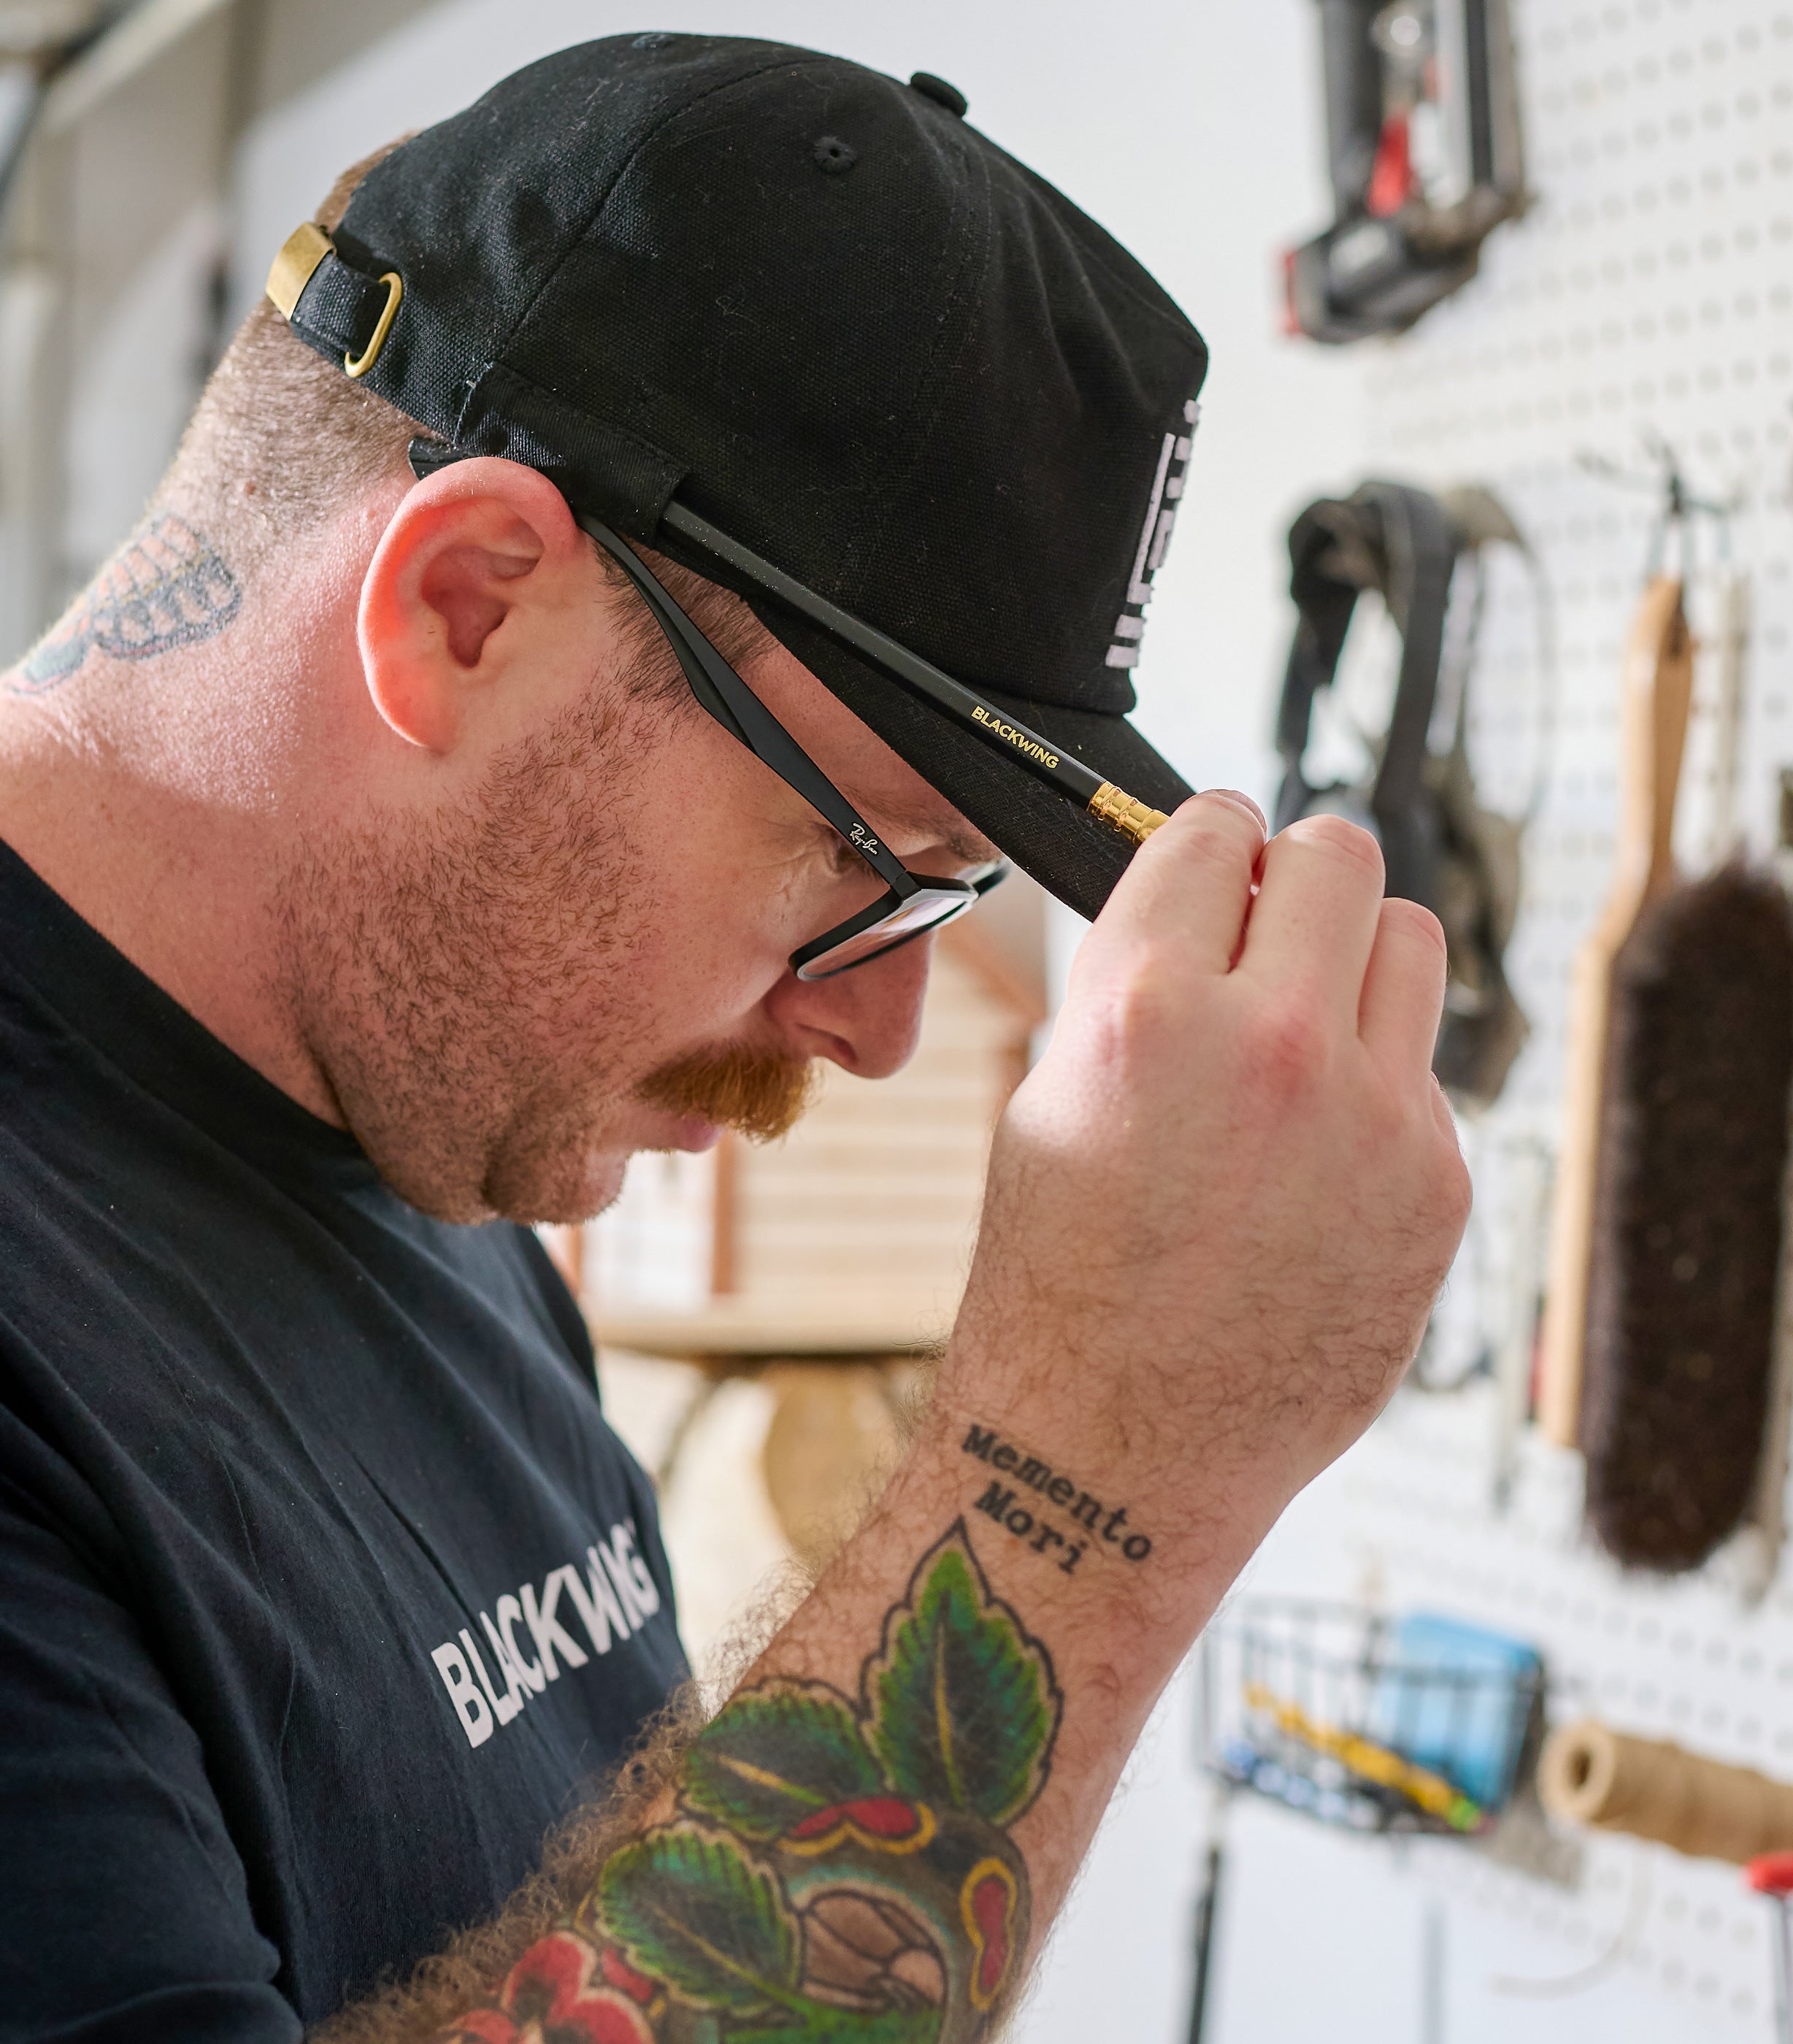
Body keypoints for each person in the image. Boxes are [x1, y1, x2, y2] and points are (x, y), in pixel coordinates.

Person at [0, 34, 1467, 2044]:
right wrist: (1095, 1480)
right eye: (861, 859)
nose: (879, 1029)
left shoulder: (435, 1115)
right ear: (472, 607)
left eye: (960, 899)